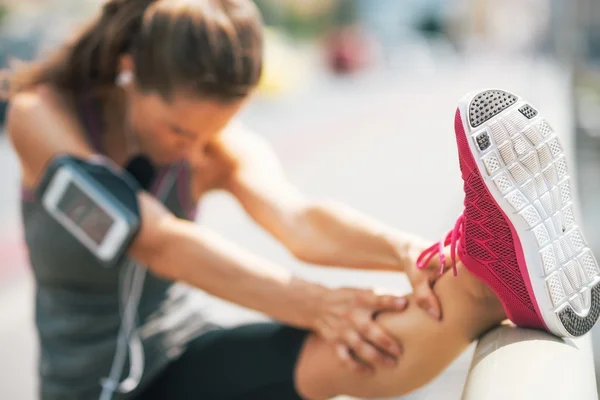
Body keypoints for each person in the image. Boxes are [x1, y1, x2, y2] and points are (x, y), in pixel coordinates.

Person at [5, 1, 598, 400]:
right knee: (332, 318)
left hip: (179, 349)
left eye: (209, 134)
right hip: (86, 387)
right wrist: (312, 301)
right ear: (129, 70)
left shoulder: (209, 145)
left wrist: (411, 255)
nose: (191, 150)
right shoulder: (43, 118)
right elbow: (156, 240)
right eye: (178, 132)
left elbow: (298, 221)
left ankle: (488, 279)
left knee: (358, 342)